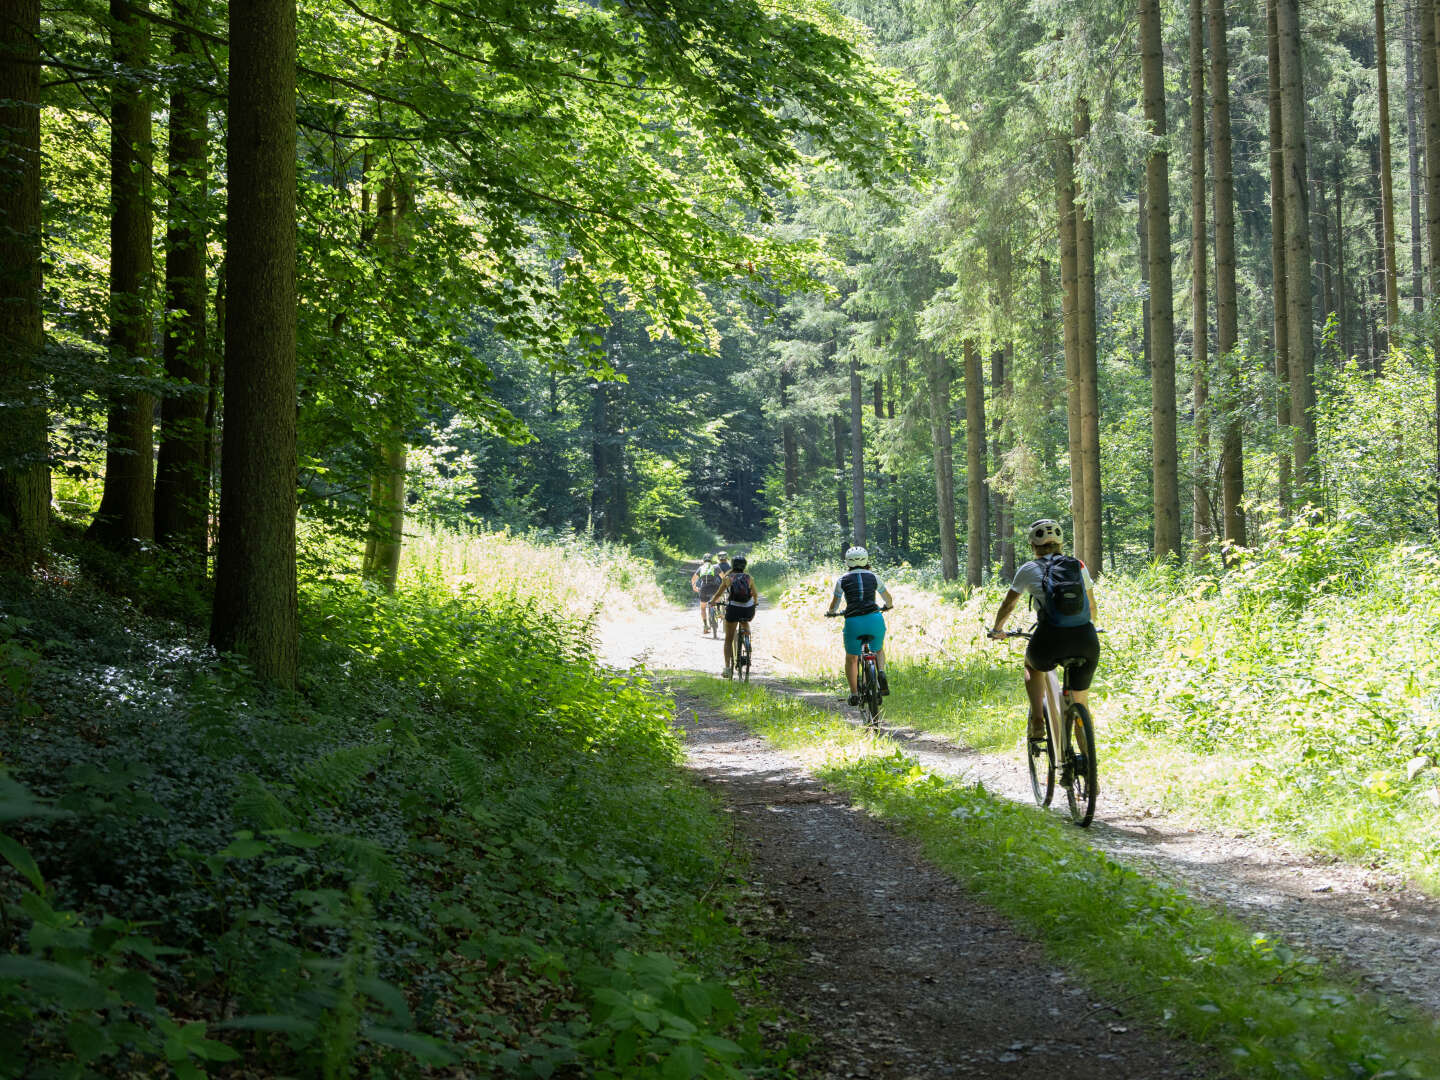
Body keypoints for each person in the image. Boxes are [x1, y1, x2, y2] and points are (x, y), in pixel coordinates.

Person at [986, 519, 1100, 741]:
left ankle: (1038, 720)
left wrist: (997, 629)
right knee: (1080, 702)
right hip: (1086, 639)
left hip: (1050, 639)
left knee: (1032, 665)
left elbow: (1008, 605)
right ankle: (1088, 766)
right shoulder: (1078, 565)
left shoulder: (1028, 569)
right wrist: (1091, 626)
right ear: (1060, 544)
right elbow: (1092, 605)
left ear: (1032, 545)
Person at [824, 546, 894, 705]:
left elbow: (835, 604)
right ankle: (881, 672)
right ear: (866, 560)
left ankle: (854, 693)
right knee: (878, 649)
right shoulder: (874, 577)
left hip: (854, 622)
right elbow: (888, 598)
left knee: (852, 658)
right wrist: (888, 606)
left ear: (847, 562)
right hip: (874, 619)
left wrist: (831, 612)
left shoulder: (842, 580)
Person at [714, 555, 758, 678]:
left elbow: (719, 592)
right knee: (745, 620)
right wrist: (754, 603)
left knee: (728, 639)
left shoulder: (728, 577)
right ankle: (747, 640)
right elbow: (755, 594)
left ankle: (728, 668)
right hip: (748, 610)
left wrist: (713, 601)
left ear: (732, 565)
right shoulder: (749, 578)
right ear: (745, 566)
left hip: (734, 609)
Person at [691, 552, 720, 632]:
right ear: (711, 560)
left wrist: (694, 587)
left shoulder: (700, 568)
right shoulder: (716, 567)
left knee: (703, 608)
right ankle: (718, 610)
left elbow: (693, 579)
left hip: (704, 589)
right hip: (715, 588)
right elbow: (724, 577)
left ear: (703, 560)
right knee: (718, 596)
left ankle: (705, 626)